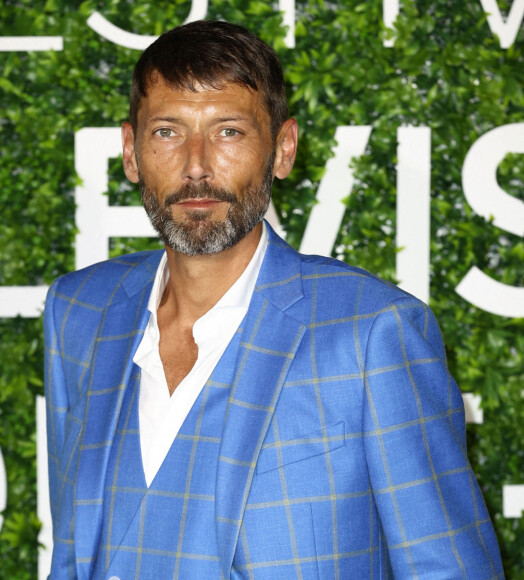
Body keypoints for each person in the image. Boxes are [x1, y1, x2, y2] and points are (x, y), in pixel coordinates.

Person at [44, 20, 504, 579]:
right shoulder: (79, 312)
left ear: (282, 150)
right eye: (168, 131)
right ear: (131, 150)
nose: (196, 164)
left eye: (228, 131)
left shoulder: (372, 332)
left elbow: (449, 569)